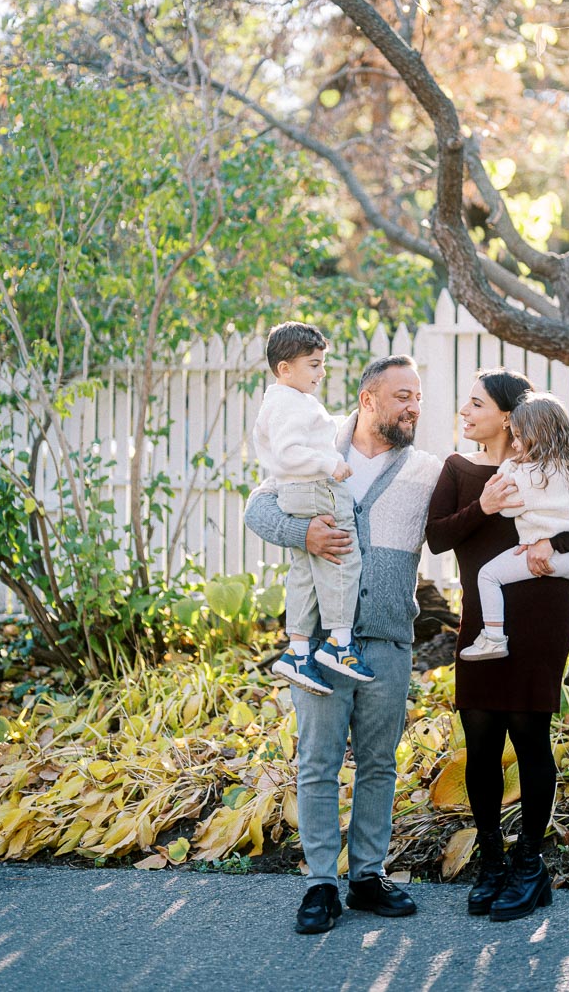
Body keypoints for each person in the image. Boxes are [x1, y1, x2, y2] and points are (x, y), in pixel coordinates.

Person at [244, 354, 442, 935]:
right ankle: (320, 884)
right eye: (402, 395)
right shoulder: (313, 443)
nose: (413, 407)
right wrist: (300, 531)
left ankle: (367, 877)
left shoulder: (426, 470)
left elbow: (461, 522)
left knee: (379, 764)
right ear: (368, 400)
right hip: (321, 645)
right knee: (319, 764)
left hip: (386, 639)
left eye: (418, 397)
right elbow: (257, 506)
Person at [426, 368, 569, 922]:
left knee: (530, 733)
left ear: (508, 417)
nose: (465, 410)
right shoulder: (459, 470)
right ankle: (491, 860)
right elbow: (438, 537)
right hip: (484, 616)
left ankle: (529, 864)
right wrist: (482, 507)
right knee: (480, 737)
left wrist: (549, 542)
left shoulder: (552, 468)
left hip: (540, 614)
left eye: (476, 402)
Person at [252, 321, 374, 695]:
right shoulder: (290, 401)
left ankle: (298, 650)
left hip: (297, 491)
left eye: (322, 364)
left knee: (304, 569)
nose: (321, 373)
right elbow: (289, 452)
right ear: (284, 368)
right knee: (342, 554)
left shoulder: (282, 400)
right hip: (314, 488)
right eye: (314, 365)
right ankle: (339, 641)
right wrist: (329, 464)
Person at [459, 391, 569, 687]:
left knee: (488, 575)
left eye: (520, 437)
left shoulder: (527, 474)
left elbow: (509, 511)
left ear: (538, 435)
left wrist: (506, 471)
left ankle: (493, 637)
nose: (516, 444)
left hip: (543, 554)